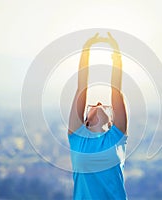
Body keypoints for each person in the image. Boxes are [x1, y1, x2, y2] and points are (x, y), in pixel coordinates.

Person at [68, 32, 128, 199]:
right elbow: (82, 88)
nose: (99, 103)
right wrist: (86, 51)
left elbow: (116, 92)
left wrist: (116, 56)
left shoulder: (116, 137)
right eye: (94, 105)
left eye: (100, 104)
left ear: (111, 122)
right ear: (86, 121)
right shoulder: (78, 138)